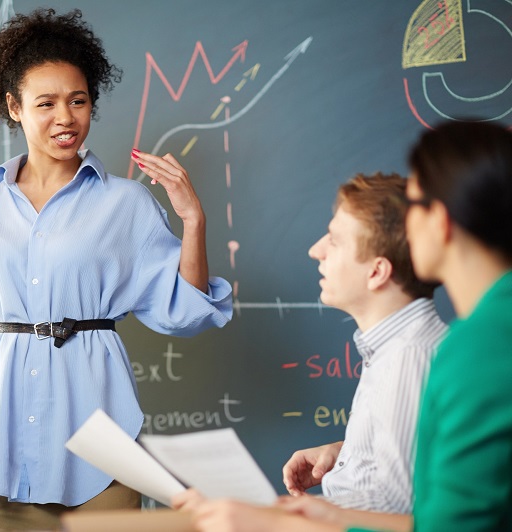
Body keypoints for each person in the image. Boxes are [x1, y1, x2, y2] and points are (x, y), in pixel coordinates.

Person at [0, 8, 232, 530]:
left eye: (78, 100)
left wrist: (194, 221)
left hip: (102, 446)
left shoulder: (127, 204)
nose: (66, 117)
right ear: (13, 107)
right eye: (46, 103)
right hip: (1, 448)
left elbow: (186, 312)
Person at [186, 120, 512, 531]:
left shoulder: (463, 349)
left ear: (441, 221)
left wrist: (281, 524)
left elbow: (435, 521)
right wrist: (347, 455)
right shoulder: (462, 340)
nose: (406, 225)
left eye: (415, 205)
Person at [173, 173, 446, 515]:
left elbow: (396, 510)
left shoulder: (407, 359)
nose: (316, 251)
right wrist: (347, 454)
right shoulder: (394, 350)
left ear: (377, 272)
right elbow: (408, 463)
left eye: (335, 240)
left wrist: (271, 515)